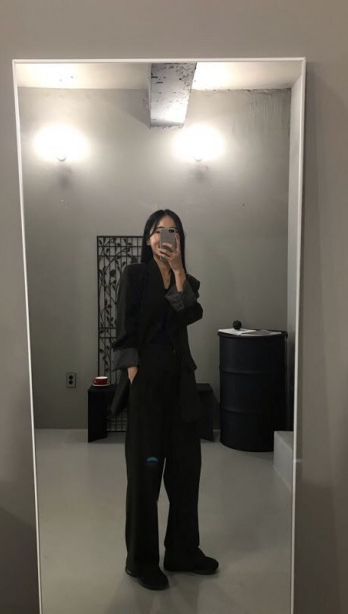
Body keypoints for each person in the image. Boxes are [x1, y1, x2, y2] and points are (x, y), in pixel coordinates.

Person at [110, 209, 219, 590]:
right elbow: (124, 328)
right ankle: (140, 561)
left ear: (180, 240)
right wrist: (134, 374)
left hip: (182, 389)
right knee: (145, 478)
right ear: (148, 238)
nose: (166, 236)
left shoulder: (186, 280)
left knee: (186, 473)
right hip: (148, 390)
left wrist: (178, 270)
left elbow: (189, 313)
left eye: (174, 231)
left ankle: (182, 552)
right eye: (159, 230)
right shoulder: (135, 275)